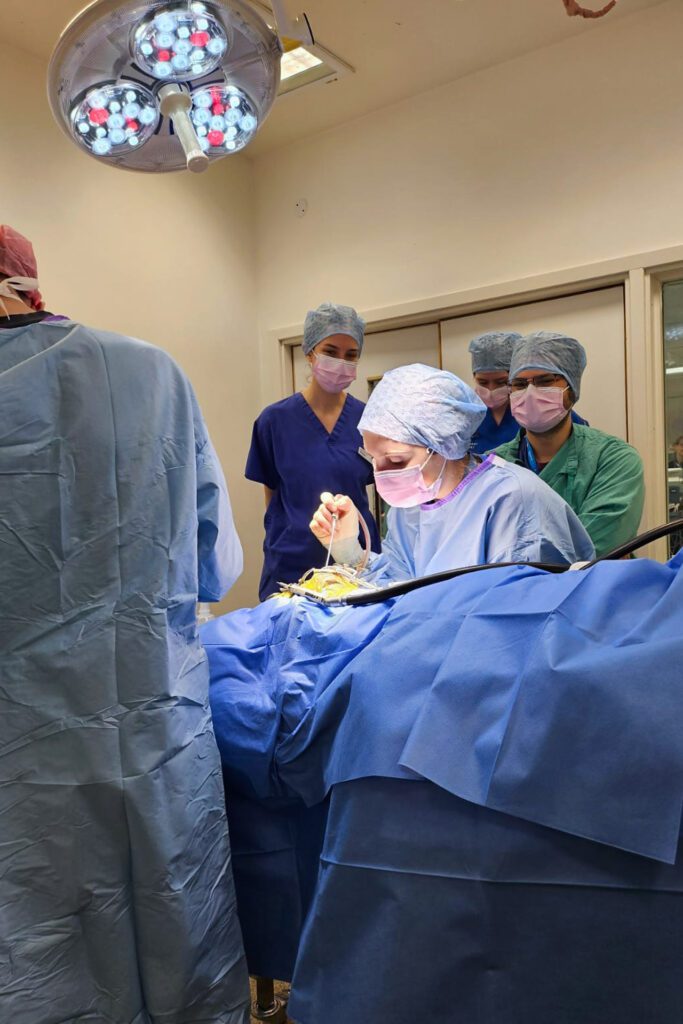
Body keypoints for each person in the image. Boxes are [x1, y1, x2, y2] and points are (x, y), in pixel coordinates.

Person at [0, 226, 250, 1023]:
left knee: (40, 962)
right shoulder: (150, 372)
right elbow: (216, 567)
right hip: (151, 733)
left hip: (19, 770)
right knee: (175, 926)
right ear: (29, 284)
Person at [309, 363, 594, 580]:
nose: (381, 475)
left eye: (396, 461)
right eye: (372, 459)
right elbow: (398, 588)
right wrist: (349, 550)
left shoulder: (512, 500)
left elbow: (520, 617)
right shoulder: (410, 510)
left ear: (445, 444)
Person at [246, 301, 381, 600]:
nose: (341, 362)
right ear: (310, 353)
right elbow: (271, 493)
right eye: (331, 352)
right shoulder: (274, 421)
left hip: (355, 563)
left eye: (351, 355)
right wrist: (289, 533)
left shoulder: (369, 420)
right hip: (291, 564)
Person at [494, 331, 645, 557]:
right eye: (519, 384)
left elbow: (589, 548)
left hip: (592, 589)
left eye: (545, 381)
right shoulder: (493, 464)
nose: (531, 393)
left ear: (572, 390)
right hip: (513, 591)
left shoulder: (614, 460)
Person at [469, 330, 588, 454]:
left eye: (501, 382)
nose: (491, 390)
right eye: (483, 382)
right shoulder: (468, 415)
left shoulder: (543, 410)